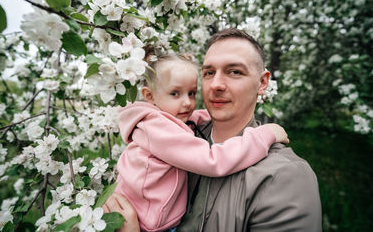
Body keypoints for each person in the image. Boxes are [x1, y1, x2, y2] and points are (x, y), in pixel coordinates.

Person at [103, 28, 322, 231]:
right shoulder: (179, 134)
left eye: (234, 72)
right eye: (208, 73)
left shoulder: (284, 176)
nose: (216, 84)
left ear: (263, 83)